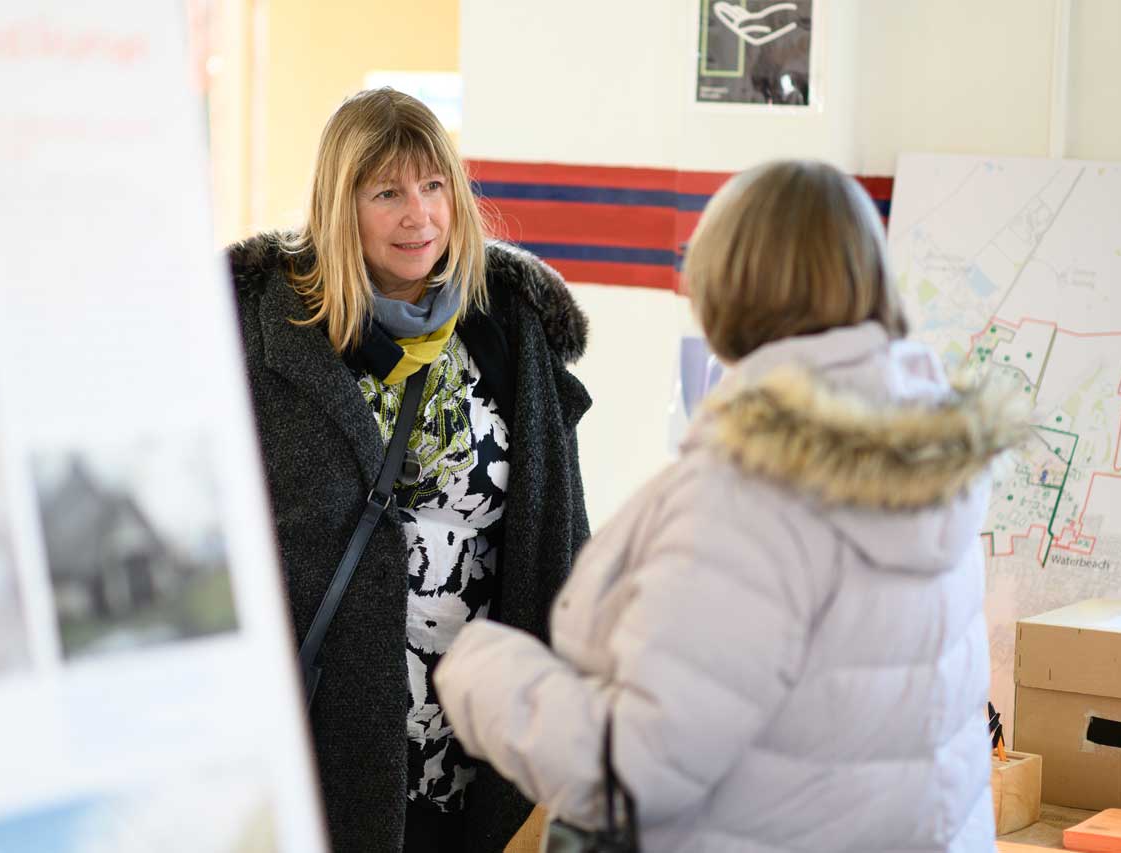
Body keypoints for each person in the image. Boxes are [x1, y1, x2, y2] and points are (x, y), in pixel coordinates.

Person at [435, 159, 1028, 852]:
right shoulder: (932, 465)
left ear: (731, 288)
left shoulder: (750, 498)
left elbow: (631, 771)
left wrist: (483, 670)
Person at [226, 88, 592, 852]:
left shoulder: (507, 328)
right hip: (329, 735)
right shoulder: (270, 341)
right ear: (339, 205)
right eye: (386, 192)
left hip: (476, 743)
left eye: (433, 187)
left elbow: (560, 523)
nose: (417, 215)